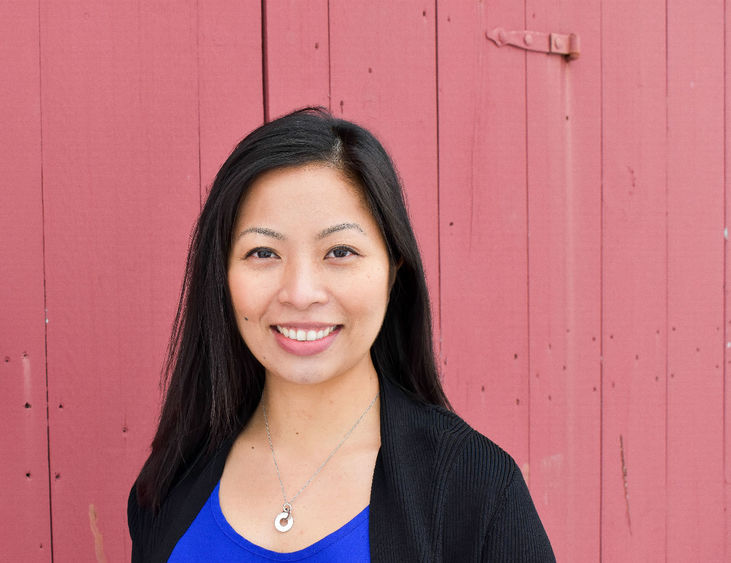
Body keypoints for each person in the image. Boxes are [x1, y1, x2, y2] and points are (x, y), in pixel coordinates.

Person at [127, 108, 555, 562]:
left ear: (394, 270)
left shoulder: (475, 491)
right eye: (263, 252)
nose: (300, 293)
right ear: (222, 275)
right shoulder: (173, 479)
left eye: (340, 251)